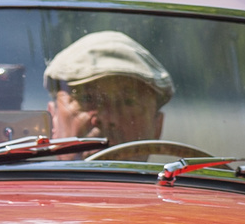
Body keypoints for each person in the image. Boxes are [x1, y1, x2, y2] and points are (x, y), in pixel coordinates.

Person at [43, 30, 174, 147]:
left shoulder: (186, 174)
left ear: (157, 126)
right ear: (53, 119)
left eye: (128, 102)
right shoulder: (25, 175)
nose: (108, 118)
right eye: (87, 98)